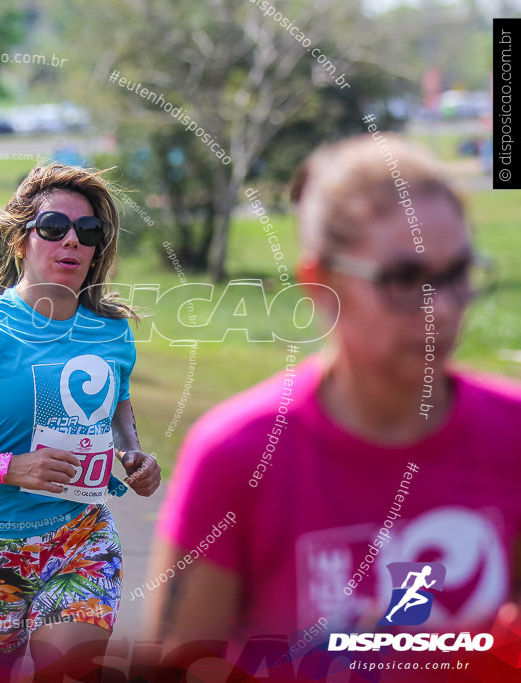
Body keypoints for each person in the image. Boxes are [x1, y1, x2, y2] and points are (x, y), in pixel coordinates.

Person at [146, 135, 519, 663]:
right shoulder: (237, 456)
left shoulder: (512, 433)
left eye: (456, 274)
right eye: (404, 279)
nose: (444, 309)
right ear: (320, 285)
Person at [0, 163, 161, 681]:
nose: (72, 242)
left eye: (88, 233)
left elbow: (118, 397)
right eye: (53, 227)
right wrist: (11, 467)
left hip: (78, 537)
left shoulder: (110, 331)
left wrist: (132, 450)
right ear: (20, 240)